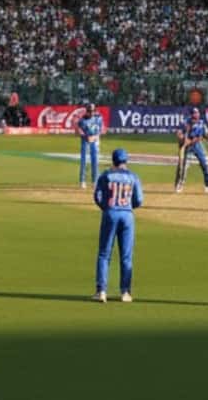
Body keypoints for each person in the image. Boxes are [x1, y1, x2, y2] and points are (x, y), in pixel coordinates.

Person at [93, 147, 143, 303]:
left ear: (113, 160)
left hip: (111, 213)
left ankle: (101, 291)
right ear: (125, 160)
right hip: (127, 215)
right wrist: (128, 206)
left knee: (104, 253)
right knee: (126, 256)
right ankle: (125, 292)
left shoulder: (106, 175)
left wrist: (106, 207)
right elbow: (139, 200)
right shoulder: (133, 176)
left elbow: (97, 196)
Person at [176, 108, 208, 194]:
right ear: (191, 115)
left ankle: (207, 185)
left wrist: (207, 136)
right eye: (194, 114)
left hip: (197, 145)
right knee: (184, 167)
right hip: (187, 146)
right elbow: (179, 133)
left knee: (205, 165)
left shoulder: (202, 123)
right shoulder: (185, 122)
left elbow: (203, 136)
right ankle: (180, 184)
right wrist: (182, 139)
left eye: (197, 114)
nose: (196, 115)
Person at [78, 103, 103, 190]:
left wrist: (96, 137)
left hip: (95, 141)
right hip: (86, 141)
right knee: (84, 161)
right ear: (87, 111)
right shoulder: (82, 121)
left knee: (95, 161)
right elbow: (79, 131)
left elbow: (100, 130)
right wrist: (86, 137)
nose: (91, 113)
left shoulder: (98, 118)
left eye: (93, 111)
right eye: (89, 111)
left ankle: (95, 181)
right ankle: (82, 181)